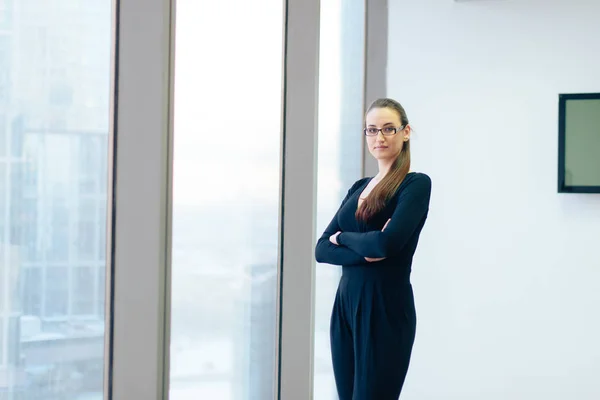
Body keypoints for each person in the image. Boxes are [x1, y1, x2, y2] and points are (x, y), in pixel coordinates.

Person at [314, 98, 432, 399]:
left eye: (389, 129)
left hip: (384, 305)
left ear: (406, 132)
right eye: (372, 130)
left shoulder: (414, 185)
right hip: (346, 304)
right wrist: (357, 245)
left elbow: (385, 243)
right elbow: (321, 248)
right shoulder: (358, 187)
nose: (379, 137)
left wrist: (344, 237)